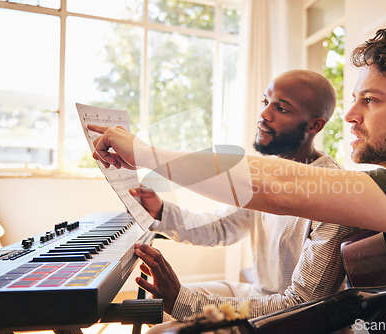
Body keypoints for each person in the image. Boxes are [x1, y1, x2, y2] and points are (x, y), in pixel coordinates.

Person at [89, 21, 386, 325]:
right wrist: (164, 212)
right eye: (355, 99)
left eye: (371, 100)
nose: (349, 116)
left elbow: (278, 188)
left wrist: (144, 153)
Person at [133, 70, 357, 323]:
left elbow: (302, 305)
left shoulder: (333, 194)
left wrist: (181, 300)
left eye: (281, 109)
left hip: (292, 320)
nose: (264, 114)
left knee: (162, 327)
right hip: (259, 294)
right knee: (163, 308)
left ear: (315, 125)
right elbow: (222, 227)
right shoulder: (269, 173)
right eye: (265, 102)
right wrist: (161, 211)